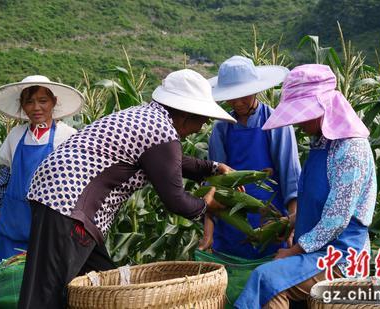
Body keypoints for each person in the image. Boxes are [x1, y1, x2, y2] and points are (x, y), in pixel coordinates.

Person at [18, 69, 236, 308]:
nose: (202, 125)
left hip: (63, 200)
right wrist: (207, 206)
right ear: (186, 114)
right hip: (70, 205)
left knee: (105, 288)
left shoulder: (148, 119)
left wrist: (214, 168)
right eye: (202, 117)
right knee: (45, 295)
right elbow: (176, 200)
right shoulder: (161, 131)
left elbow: (170, 162)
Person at [235, 64, 377, 308]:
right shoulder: (321, 144)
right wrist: (288, 223)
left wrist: (293, 252)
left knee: (266, 279)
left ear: (324, 106)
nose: (298, 123)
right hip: (314, 251)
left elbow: (336, 218)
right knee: (269, 273)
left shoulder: (351, 149)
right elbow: (317, 203)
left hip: (340, 256)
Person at [200, 55, 301, 258]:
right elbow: (214, 185)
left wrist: (291, 226)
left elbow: (291, 180)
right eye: (231, 96)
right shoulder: (221, 128)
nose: (237, 102)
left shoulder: (275, 123)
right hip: (231, 225)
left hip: (271, 224)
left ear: (256, 89)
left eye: (243, 95)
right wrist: (208, 233)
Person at [0, 75, 83, 268]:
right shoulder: (16, 135)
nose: (36, 107)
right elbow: (5, 177)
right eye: (29, 102)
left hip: (48, 222)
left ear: (54, 102)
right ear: (22, 106)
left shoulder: (68, 136)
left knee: (40, 275)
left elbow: (77, 184)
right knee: (4, 276)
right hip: (12, 220)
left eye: (43, 101)